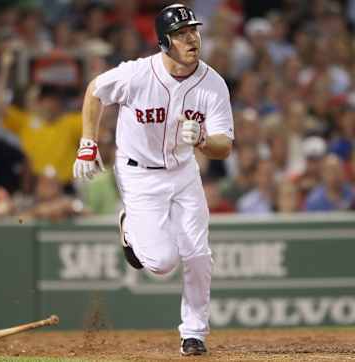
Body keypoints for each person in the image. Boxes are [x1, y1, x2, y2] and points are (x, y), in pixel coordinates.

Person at [73, 3, 234, 356]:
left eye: (193, 30)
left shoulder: (213, 84)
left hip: (183, 170)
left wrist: (205, 140)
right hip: (139, 174)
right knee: (161, 264)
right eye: (181, 33)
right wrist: (88, 142)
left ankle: (194, 333)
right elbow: (95, 91)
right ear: (164, 41)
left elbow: (225, 145)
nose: (192, 37)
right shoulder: (136, 74)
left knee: (197, 253)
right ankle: (128, 226)